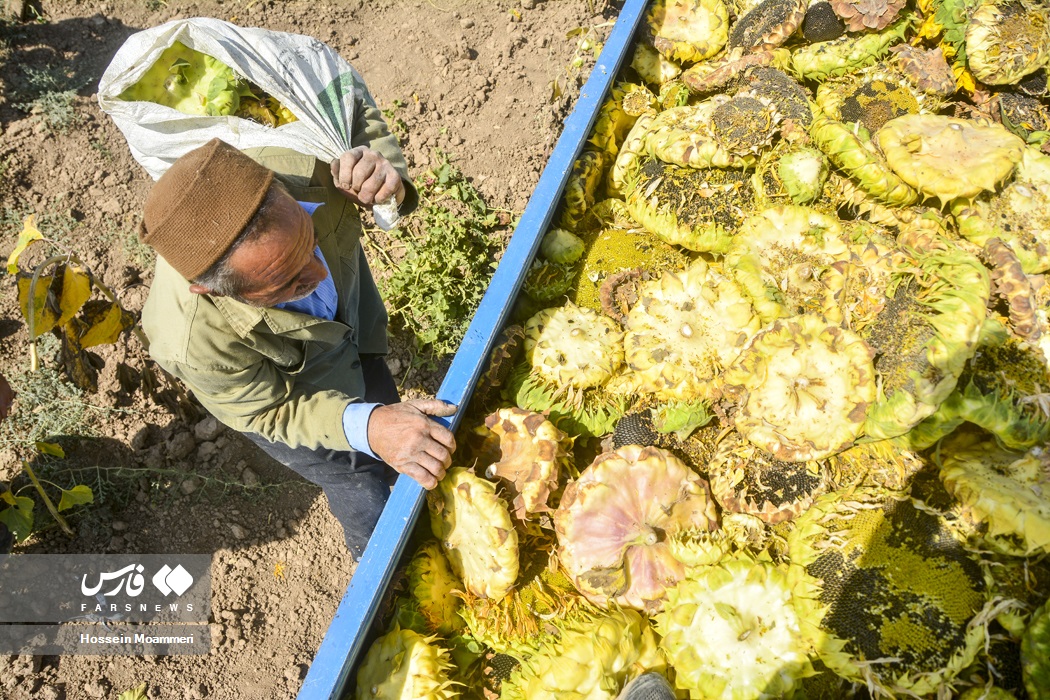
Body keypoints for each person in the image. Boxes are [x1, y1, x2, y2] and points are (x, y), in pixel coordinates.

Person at [136, 103, 456, 558]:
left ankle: (392, 457)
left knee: (382, 400)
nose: (319, 275)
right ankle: (384, 566)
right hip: (292, 400)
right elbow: (269, 411)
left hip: (353, 335)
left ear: (282, 192)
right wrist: (367, 428)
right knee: (355, 476)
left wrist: (388, 181)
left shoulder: (311, 165)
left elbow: (359, 115)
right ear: (213, 290)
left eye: (310, 243)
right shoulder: (194, 342)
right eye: (289, 282)